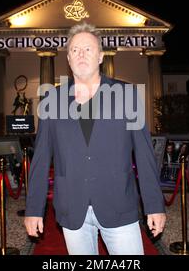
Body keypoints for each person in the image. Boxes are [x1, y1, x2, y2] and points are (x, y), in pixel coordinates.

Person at [24, 22, 166, 255]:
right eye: (75, 50)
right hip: (72, 207)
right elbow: (40, 159)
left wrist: (154, 205)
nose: (81, 54)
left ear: (100, 56)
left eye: (88, 49)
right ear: (68, 59)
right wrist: (33, 209)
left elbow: (144, 154)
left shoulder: (127, 95)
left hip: (119, 204)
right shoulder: (52, 101)